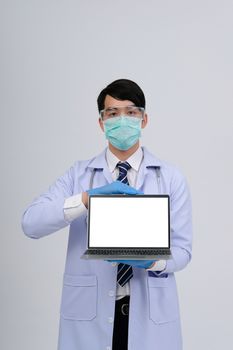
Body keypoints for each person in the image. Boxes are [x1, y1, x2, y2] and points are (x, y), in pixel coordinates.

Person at [21, 79, 192, 350]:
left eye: (131, 112)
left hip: (150, 315)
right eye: (112, 113)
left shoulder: (170, 178)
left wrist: (153, 262)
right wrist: (86, 199)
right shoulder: (79, 175)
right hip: (90, 314)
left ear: (144, 119)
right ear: (101, 123)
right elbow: (30, 223)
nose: (122, 120)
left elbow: (183, 251)